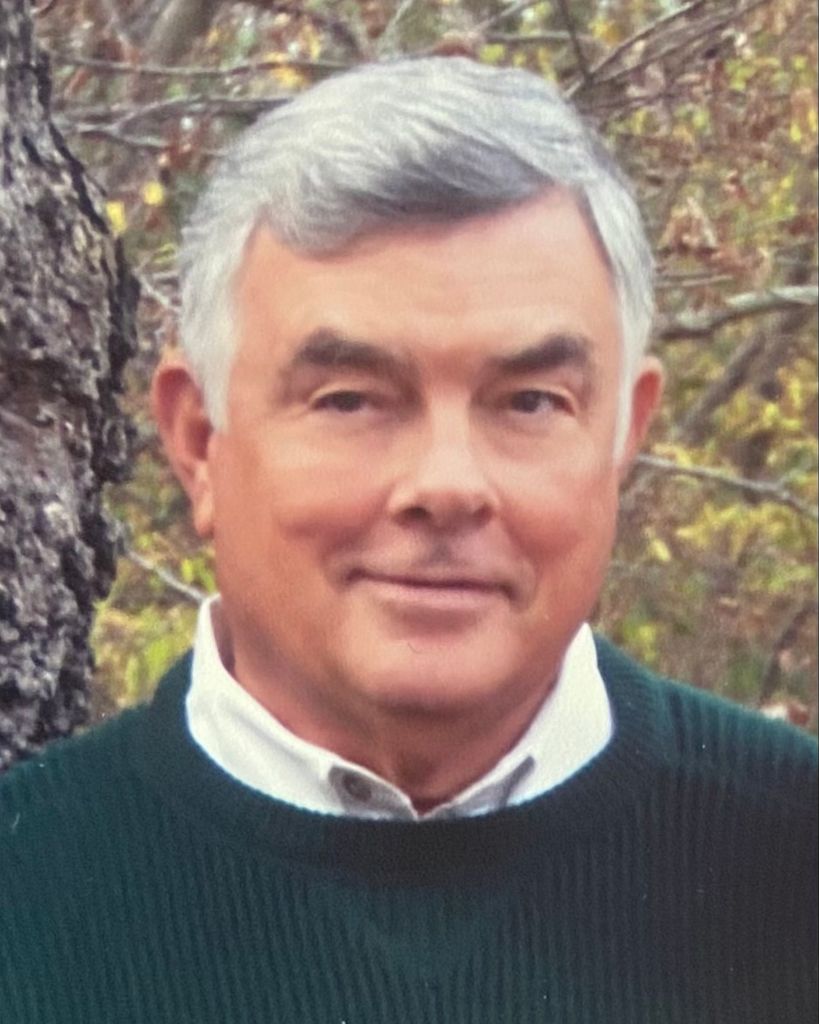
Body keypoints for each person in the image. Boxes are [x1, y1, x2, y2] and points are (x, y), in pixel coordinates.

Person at [1, 57, 816, 1024]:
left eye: (528, 402)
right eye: (350, 400)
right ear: (197, 440)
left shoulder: (790, 865)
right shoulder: (25, 897)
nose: (446, 485)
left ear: (621, 437)